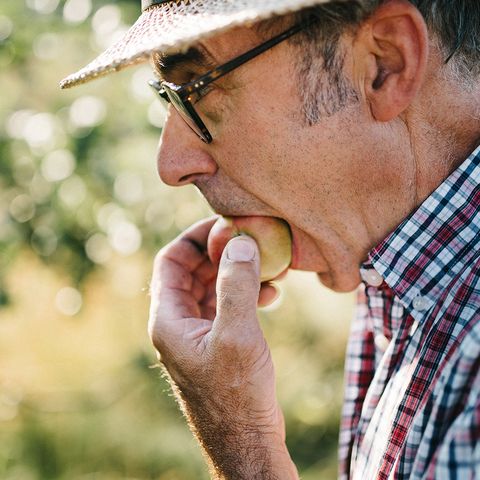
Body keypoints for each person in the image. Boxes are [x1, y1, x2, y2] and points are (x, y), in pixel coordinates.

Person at [61, 0, 480, 478]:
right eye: (168, 98)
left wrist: (244, 448)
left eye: (199, 88)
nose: (172, 165)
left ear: (386, 63)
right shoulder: (397, 282)